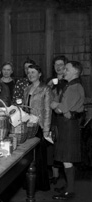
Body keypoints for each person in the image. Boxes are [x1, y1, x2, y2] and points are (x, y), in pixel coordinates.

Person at [51, 61, 85, 200]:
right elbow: (63, 109)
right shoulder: (71, 86)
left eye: (67, 69)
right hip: (67, 124)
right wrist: (61, 107)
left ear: (75, 72)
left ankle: (69, 191)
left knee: (67, 158)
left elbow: (60, 108)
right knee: (66, 158)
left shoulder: (74, 87)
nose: (64, 70)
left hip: (68, 126)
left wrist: (55, 105)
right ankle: (68, 186)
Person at [23, 64, 53, 191]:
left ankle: (40, 184)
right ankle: (29, 183)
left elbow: (47, 110)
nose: (30, 75)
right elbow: (25, 108)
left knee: (39, 157)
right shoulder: (27, 88)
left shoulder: (45, 89)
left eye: (33, 72)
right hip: (28, 125)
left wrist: (46, 130)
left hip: (39, 126)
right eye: (28, 72)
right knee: (28, 157)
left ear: (40, 74)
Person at [46, 55, 68, 185]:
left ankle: (66, 177)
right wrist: (48, 87)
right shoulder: (50, 80)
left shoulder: (68, 80)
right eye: (56, 65)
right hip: (52, 116)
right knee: (52, 146)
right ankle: (55, 176)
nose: (58, 67)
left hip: (63, 115)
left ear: (65, 66)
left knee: (63, 146)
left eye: (61, 64)